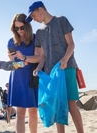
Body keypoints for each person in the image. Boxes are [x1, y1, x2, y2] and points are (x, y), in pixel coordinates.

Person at [25, 1, 84, 133]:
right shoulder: (39, 32)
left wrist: (64, 59)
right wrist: (38, 68)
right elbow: (44, 56)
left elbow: (71, 44)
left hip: (67, 68)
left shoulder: (61, 20)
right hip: (51, 74)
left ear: (41, 10)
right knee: (57, 106)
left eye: (34, 16)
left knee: (71, 103)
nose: (33, 19)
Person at [7, 13, 41, 133]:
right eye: (16, 28)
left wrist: (25, 58)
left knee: (33, 112)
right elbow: (12, 65)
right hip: (18, 78)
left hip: (32, 76)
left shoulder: (36, 38)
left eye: (21, 27)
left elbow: (39, 58)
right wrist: (13, 60)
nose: (19, 30)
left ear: (27, 26)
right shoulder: (11, 42)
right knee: (20, 112)